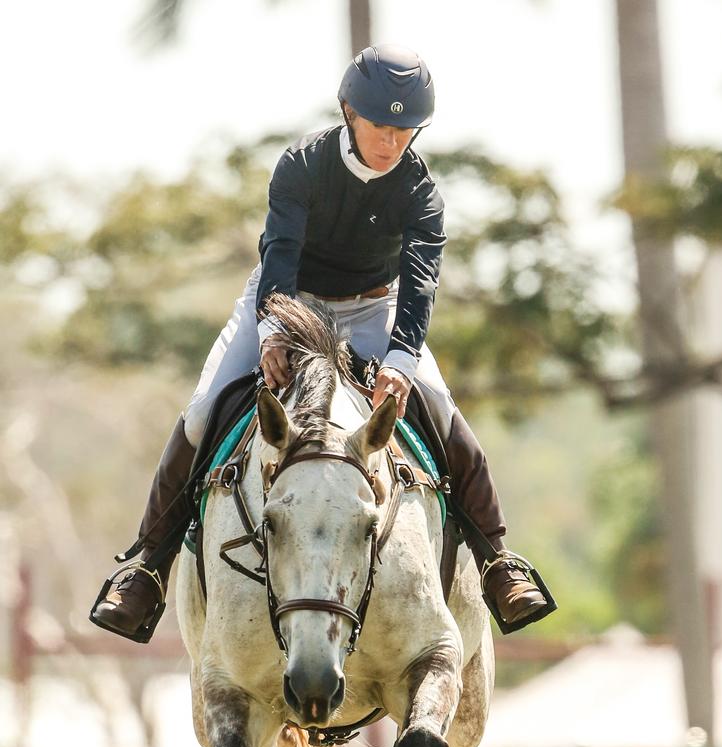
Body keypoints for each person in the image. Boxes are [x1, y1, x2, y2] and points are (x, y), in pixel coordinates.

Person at [91, 43, 552, 643]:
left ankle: (497, 563)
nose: (391, 143)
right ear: (347, 112)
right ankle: (148, 566)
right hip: (291, 297)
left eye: (405, 131)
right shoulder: (301, 165)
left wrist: (401, 361)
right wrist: (274, 332)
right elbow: (278, 256)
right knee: (205, 410)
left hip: (374, 306)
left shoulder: (420, 191)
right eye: (380, 127)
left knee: (443, 409)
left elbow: (420, 281)